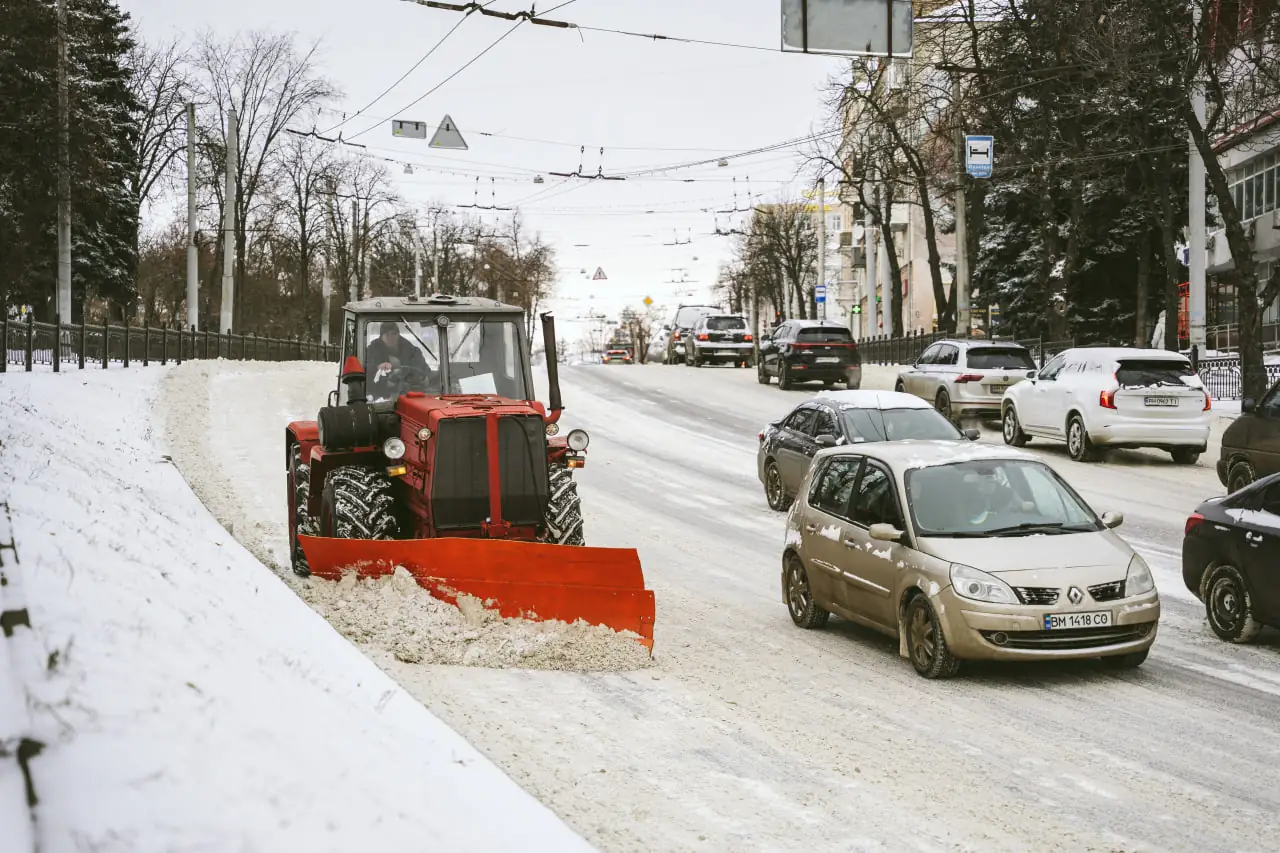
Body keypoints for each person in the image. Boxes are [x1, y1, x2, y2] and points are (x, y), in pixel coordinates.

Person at [365, 322, 430, 399]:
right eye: (386, 334)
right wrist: (377, 367)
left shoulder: (412, 351)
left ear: (398, 335)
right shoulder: (372, 351)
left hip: (410, 394)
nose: (390, 338)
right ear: (381, 337)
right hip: (380, 396)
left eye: (393, 334)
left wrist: (417, 376)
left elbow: (423, 370)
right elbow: (365, 371)